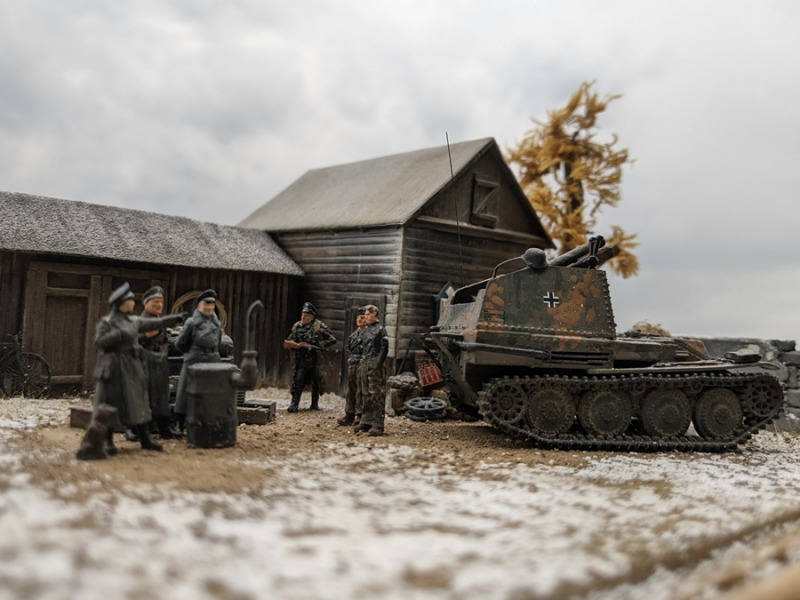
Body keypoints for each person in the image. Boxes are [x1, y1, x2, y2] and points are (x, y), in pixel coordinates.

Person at [92, 282, 185, 455]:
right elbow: (99, 341)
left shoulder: (133, 320)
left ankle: (145, 439)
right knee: (110, 403)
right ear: (122, 303)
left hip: (131, 365)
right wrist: (120, 334)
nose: (134, 303)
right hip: (113, 366)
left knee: (138, 402)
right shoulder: (108, 322)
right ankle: (107, 441)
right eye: (130, 301)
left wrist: (175, 319)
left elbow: (153, 324)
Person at [173, 289, 234, 433]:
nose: (209, 308)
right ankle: (179, 424)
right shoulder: (191, 322)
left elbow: (218, 342)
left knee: (210, 392)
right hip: (194, 359)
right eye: (206, 305)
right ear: (199, 306)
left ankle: (207, 423)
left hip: (212, 359)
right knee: (184, 392)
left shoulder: (216, 324)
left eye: (212, 305)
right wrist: (192, 352)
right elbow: (180, 343)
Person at [139, 286, 178, 439]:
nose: (159, 305)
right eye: (155, 302)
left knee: (161, 395)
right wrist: (147, 335)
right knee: (146, 395)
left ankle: (163, 428)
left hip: (159, 362)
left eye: (161, 302)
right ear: (146, 304)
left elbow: (165, 341)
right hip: (145, 362)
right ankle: (143, 429)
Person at [283, 302, 336, 413]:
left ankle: (314, 403)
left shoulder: (319, 326)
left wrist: (317, 346)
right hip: (301, 359)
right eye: (302, 315)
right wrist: (296, 345)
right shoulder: (297, 326)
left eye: (306, 316)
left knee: (316, 380)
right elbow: (289, 340)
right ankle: (294, 403)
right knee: (298, 380)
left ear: (311, 317)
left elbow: (332, 339)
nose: (303, 317)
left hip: (314, 359)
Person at [355, 305, 389, 436]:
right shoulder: (365, 331)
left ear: (375, 314)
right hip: (364, 363)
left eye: (368, 314)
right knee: (364, 393)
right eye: (365, 314)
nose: (366, 317)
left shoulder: (381, 330)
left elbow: (384, 348)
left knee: (376, 393)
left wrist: (377, 362)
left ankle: (377, 423)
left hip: (375, 364)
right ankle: (366, 420)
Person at [337, 308, 367, 426]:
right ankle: (349, 414)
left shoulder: (368, 334)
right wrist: (349, 357)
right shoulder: (353, 335)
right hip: (353, 365)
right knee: (351, 391)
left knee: (361, 390)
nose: (359, 320)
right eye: (358, 318)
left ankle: (360, 415)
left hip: (362, 364)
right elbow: (348, 348)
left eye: (362, 317)